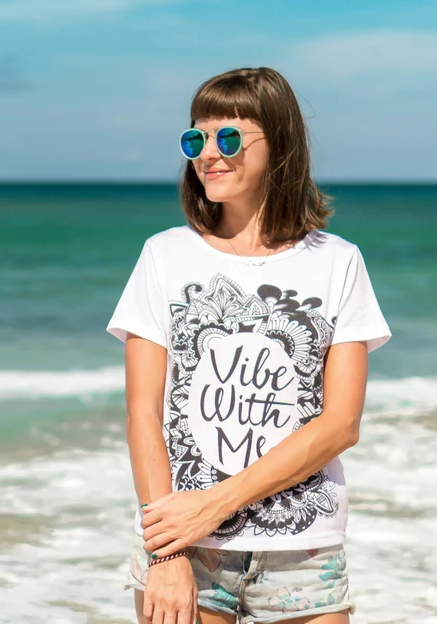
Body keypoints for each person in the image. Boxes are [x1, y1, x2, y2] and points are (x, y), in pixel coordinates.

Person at [106, 67, 391, 624]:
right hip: (185, 545)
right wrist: (167, 550)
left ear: (279, 143)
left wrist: (215, 502)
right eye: (196, 138)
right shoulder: (164, 256)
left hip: (302, 550)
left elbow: (340, 425)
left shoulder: (338, 262)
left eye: (229, 137)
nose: (209, 153)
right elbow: (144, 416)